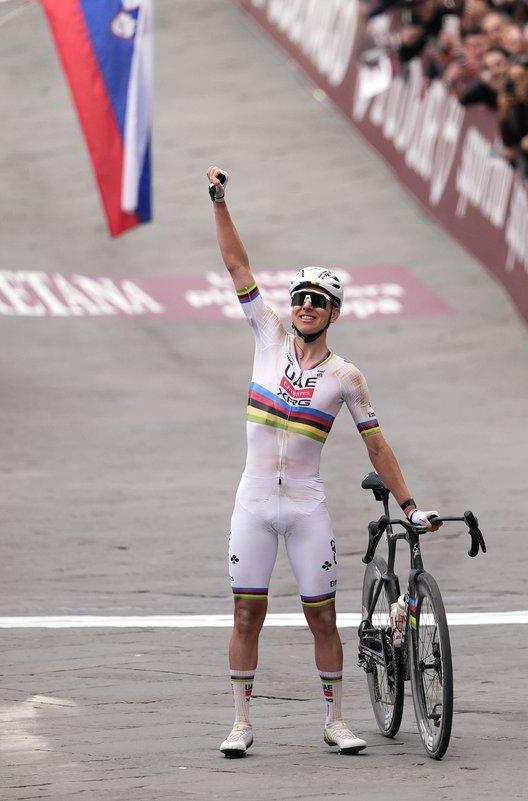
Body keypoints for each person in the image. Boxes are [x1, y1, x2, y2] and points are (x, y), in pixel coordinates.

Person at [206, 166, 442, 758]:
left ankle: (336, 720)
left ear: (334, 314)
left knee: (323, 619)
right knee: (245, 616)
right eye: (302, 299)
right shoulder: (267, 335)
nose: (308, 307)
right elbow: (238, 267)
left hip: (306, 506)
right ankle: (241, 721)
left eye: (321, 302)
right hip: (255, 502)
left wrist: (410, 506)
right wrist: (219, 202)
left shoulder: (345, 377)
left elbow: (376, 446)